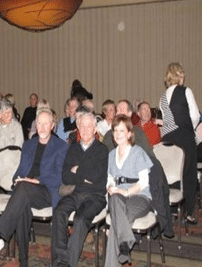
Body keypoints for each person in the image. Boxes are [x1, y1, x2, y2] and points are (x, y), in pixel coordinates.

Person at [0, 108, 68, 267]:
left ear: (53, 126)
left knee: (23, 190)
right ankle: (23, 262)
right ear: (35, 126)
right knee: (22, 202)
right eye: (39, 124)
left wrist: (35, 181)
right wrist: (17, 179)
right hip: (26, 190)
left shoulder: (61, 146)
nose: (42, 127)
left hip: (47, 191)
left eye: (46, 124)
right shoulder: (28, 144)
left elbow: (59, 177)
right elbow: (20, 170)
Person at [103, 99, 173, 238]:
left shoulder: (137, 132)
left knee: (153, 168)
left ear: (130, 114)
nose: (119, 112)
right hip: (120, 178)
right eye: (118, 110)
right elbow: (106, 161)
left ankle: (159, 218)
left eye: (123, 110)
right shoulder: (108, 135)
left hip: (141, 170)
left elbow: (149, 156)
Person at [52, 112, 108, 267]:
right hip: (75, 193)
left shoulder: (102, 150)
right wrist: (84, 175)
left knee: (80, 219)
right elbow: (65, 177)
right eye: (81, 126)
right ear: (77, 128)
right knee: (58, 212)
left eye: (89, 126)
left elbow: (97, 178)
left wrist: (77, 170)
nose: (85, 129)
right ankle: (58, 262)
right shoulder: (73, 149)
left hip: (95, 196)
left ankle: (69, 264)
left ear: (95, 129)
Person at [104, 115, 153, 267]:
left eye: (122, 130)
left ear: (129, 134)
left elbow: (144, 182)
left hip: (140, 197)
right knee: (114, 199)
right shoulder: (111, 155)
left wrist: (125, 192)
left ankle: (121, 243)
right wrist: (111, 187)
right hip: (118, 199)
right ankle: (125, 242)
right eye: (115, 130)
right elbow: (110, 179)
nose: (118, 134)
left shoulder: (138, 152)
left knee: (115, 224)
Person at [159, 62, 199, 223]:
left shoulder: (162, 97)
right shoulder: (186, 91)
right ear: (177, 75)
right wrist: (193, 131)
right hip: (184, 136)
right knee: (188, 175)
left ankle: (172, 209)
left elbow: (165, 118)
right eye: (181, 74)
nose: (183, 77)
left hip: (167, 139)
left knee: (172, 174)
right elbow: (195, 115)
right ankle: (189, 212)